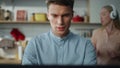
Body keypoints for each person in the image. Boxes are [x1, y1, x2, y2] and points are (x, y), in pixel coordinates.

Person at [22, 0, 96, 65]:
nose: (60, 22)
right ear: (48, 16)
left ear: (72, 15)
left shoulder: (86, 46)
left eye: (65, 15)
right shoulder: (34, 44)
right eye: (54, 15)